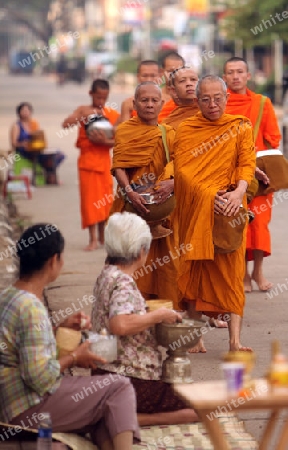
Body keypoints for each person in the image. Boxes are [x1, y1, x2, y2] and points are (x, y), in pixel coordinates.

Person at [0, 223, 139, 450]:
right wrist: (75, 357)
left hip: (10, 401)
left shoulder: (9, 296)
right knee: (119, 387)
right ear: (54, 260)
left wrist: (58, 329)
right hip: (25, 407)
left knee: (103, 408)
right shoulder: (31, 308)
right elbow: (40, 378)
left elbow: (22, 345)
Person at [91, 212, 198, 426]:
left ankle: (121, 415)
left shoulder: (106, 274)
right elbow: (119, 324)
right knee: (198, 408)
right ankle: (132, 419)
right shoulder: (124, 282)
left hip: (102, 373)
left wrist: (147, 313)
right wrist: (158, 315)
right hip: (129, 380)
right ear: (141, 252)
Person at [173, 75, 256, 353]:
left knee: (233, 273)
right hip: (199, 209)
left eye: (217, 98)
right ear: (197, 101)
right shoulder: (187, 129)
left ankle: (235, 341)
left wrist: (238, 193)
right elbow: (183, 171)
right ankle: (196, 336)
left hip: (231, 208)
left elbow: (247, 162)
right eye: (205, 99)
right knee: (196, 269)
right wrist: (211, 195)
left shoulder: (240, 126)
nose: (212, 104)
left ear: (226, 98)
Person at [110, 81, 179, 305]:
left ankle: (164, 310)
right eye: (144, 100)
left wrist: (171, 183)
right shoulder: (125, 130)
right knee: (128, 257)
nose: (149, 105)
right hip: (131, 205)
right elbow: (119, 165)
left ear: (162, 104)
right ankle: (127, 309)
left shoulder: (168, 133)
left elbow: (180, 164)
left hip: (161, 208)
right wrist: (129, 191)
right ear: (135, 104)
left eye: (154, 101)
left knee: (165, 262)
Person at [223, 57, 282, 292]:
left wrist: (252, 152)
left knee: (258, 224)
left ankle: (257, 271)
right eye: (230, 72)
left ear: (248, 76)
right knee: (236, 225)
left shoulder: (261, 102)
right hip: (228, 174)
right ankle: (243, 275)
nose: (235, 76)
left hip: (258, 177)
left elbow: (274, 137)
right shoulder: (220, 103)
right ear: (224, 77)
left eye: (240, 72)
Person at [62, 79, 119, 251]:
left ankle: (102, 236)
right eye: (98, 97)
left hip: (103, 163)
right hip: (87, 163)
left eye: (104, 98)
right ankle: (92, 238)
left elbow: (116, 141)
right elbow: (66, 124)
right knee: (89, 202)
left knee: (104, 203)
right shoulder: (83, 110)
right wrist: (81, 117)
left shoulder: (111, 114)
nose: (101, 101)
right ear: (90, 94)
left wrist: (104, 140)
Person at [10, 102, 65, 184]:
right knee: (47, 158)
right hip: (24, 151)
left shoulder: (33, 123)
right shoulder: (16, 126)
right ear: (19, 113)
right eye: (23, 111)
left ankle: (50, 175)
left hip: (35, 148)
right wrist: (22, 144)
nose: (25, 113)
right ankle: (50, 178)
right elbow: (14, 143)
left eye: (27, 110)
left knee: (58, 155)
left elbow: (38, 137)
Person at [158, 51, 185, 123]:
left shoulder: (190, 100)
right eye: (170, 71)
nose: (175, 74)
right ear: (161, 72)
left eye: (179, 71)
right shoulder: (153, 99)